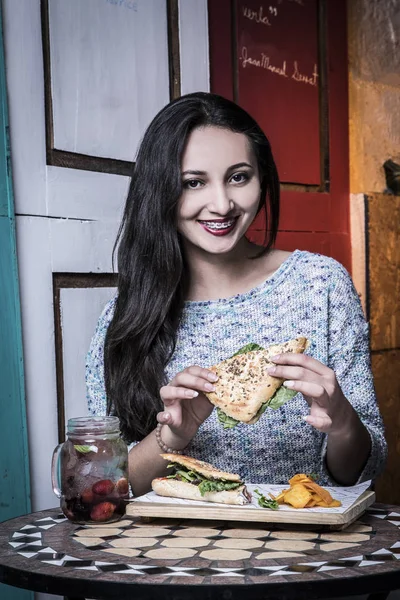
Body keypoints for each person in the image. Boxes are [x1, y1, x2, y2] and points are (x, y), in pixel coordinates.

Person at [86, 92, 387, 498]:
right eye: (194, 183)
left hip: (298, 551)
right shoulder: (124, 318)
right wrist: (171, 438)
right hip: (169, 554)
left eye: (238, 176)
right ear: (160, 192)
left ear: (262, 178)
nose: (222, 204)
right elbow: (104, 487)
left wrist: (343, 421)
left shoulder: (321, 285)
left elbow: (362, 473)